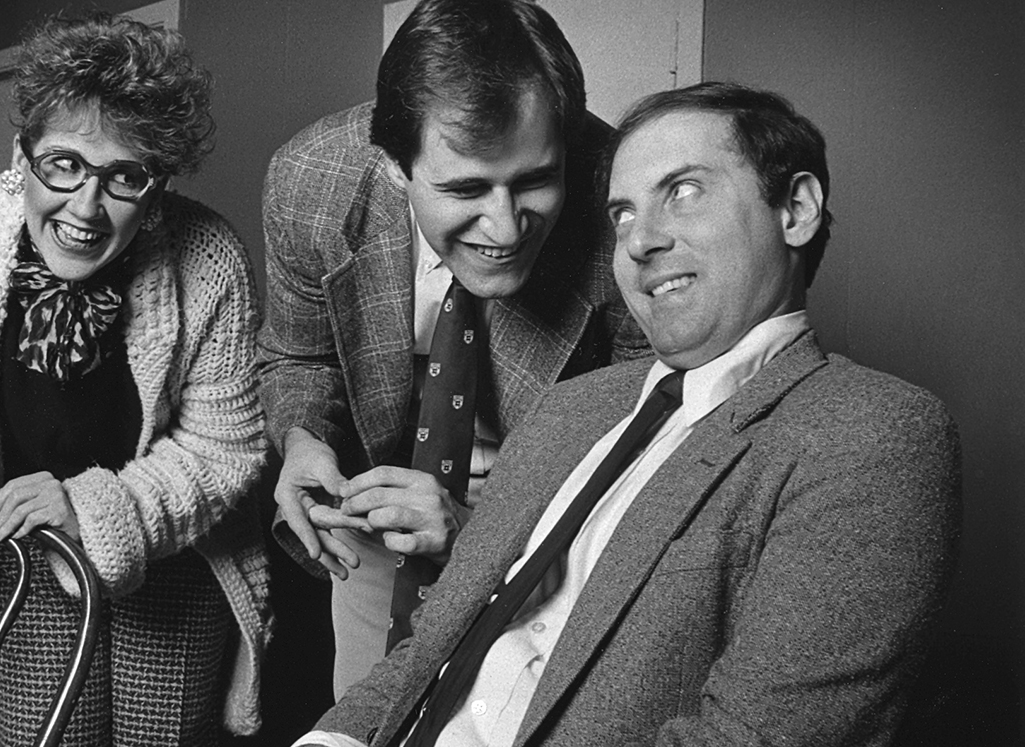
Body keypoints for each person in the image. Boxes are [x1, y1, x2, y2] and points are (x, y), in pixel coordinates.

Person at [294, 82, 962, 747]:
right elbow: (426, 653)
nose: (640, 241)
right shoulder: (570, 408)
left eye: (684, 191)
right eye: (622, 214)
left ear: (796, 208)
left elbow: (753, 738)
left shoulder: (869, 435)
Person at [0, 13, 269, 746]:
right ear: (22, 153)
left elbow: (223, 451)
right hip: (23, 555)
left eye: (125, 176)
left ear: (155, 188)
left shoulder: (210, 257)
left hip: (173, 563)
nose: (86, 208)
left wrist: (94, 507)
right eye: (63, 163)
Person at [258, 0, 648, 698]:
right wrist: (304, 439)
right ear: (392, 168)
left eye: (535, 180)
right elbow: (298, 355)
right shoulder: (307, 185)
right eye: (466, 187)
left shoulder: (623, 204)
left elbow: (639, 465)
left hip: (556, 532)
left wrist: (476, 532)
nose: (505, 225)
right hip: (378, 528)